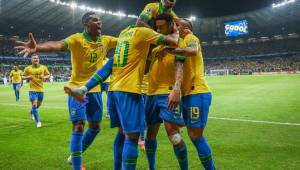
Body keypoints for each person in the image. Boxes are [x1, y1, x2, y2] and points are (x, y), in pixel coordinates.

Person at [64, 19, 179, 170]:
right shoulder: (145, 32)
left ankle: (84, 88)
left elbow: (115, 64)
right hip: (129, 90)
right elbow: (174, 42)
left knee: (121, 134)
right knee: (132, 138)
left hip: (113, 90)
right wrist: (175, 30)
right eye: (157, 28)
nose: (158, 30)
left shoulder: (124, 33)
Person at [15, 12, 117, 170]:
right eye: (95, 20)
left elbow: (126, 43)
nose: (100, 23)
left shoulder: (106, 40)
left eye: (100, 20)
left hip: (94, 90)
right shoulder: (77, 39)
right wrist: (38, 48)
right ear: (86, 24)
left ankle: (76, 154)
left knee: (95, 127)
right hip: (76, 89)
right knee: (78, 126)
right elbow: (57, 45)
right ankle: (77, 166)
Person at [164, 18, 216, 170]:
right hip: (187, 94)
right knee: (189, 132)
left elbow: (193, 51)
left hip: (197, 92)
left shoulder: (191, 38)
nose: (174, 26)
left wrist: (168, 50)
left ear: (185, 28)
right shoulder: (180, 42)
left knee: (196, 136)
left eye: (177, 24)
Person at [144, 13, 188, 170]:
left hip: (167, 93)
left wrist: (176, 89)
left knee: (174, 135)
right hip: (150, 94)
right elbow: (145, 70)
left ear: (171, 25)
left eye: (161, 26)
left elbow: (179, 66)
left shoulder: (180, 43)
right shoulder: (157, 44)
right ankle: (151, 167)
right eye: (156, 27)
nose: (158, 29)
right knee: (150, 134)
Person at [22, 54, 50, 128]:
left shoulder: (43, 67)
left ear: (39, 59)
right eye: (34, 58)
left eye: (37, 58)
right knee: (34, 104)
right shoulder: (28, 68)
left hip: (40, 90)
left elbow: (48, 75)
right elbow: (22, 77)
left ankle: (31, 112)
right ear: (31, 60)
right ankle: (38, 122)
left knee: (38, 105)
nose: (36, 59)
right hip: (32, 90)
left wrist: (44, 77)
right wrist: (28, 77)